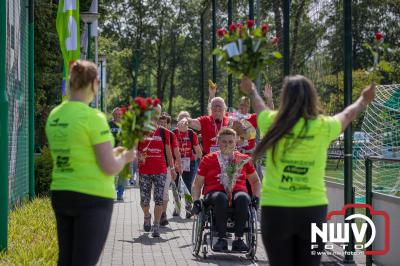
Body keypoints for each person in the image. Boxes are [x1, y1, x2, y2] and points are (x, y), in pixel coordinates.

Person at [240, 75, 376, 266]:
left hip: (276, 210)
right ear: (312, 97)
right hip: (312, 210)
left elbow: (259, 105)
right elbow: (348, 115)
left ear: (284, 98)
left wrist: (252, 90)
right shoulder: (323, 126)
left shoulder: (273, 122)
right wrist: (363, 99)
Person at [46, 60, 136, 266]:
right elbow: (109, 167)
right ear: (95, 84)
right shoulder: (94, 117)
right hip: (92, 197)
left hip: (61, 192)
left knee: (65, 260)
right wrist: (125, 157)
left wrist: (115, 152)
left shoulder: (55, 115)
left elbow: (79, 153)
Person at [191, 128, 261, 252]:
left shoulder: (244, 159)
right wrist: (195, 201)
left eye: (230, 141)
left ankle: (238, 239)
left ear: (236, 143)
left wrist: (256, 197)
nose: (227, 144)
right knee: (220, 197)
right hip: (214, 192)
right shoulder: (208, 159)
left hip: (238, 191)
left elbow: (255, 181)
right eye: (224, 141)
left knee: (243, 198)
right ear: (218, 142)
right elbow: (197, 184)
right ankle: (221, 239)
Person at [137, 105, 177, 237]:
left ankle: (156, 225)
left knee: (159, 199)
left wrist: (172, 168)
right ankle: (147, 215)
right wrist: (138, 155)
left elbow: (168, 151)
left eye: (156, 114)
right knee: (144, 200)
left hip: (160, 170)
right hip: (144, 170)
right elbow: (132, 149)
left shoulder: (163, 132)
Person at [174, 111, 203, 219]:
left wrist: (203, 160)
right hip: (176, 162)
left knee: (187, 184)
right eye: (182, 119)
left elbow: (197, 149)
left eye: (186, 120)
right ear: (178, 121)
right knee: (176, 185)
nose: (184, 122)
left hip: (189, 162)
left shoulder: (192, 134)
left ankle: (188, 207)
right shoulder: (174, 133)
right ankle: (177, 207)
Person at [156, 112, 181, 224]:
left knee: (164, 191)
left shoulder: (171, 135)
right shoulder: (152, 133)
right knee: (156, 193)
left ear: (168, 124)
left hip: (166, 167)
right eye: (159, 122)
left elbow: (176, 151)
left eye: (164, 123)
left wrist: (177, 165)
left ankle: (163, 214)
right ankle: (160, 213)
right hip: (154, 168)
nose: (161, 125)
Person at [108, 107, 126, 201]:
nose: (117, 116)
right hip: (111, 153)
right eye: (116, 114)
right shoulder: (108, 125)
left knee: (122, 175)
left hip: (123, 153)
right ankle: (110, 192)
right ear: (113, 115)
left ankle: (120, 194)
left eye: (119, 114)